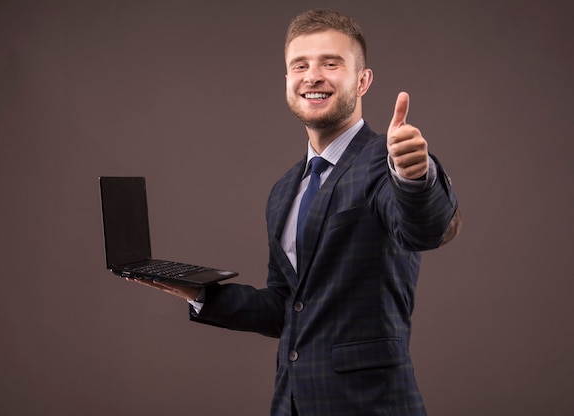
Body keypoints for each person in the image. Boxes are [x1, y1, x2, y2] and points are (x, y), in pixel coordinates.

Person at [133, 8, 461, 416]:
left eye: (331, 63)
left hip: (371, 405)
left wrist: (415, 175)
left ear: (362, 81)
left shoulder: (385, 161)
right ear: (287, 82)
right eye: (300, 65)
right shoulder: (285, 190)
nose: (312, 75)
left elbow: (426, 230)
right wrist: (200, 293)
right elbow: (286, 307)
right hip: (291, 403)